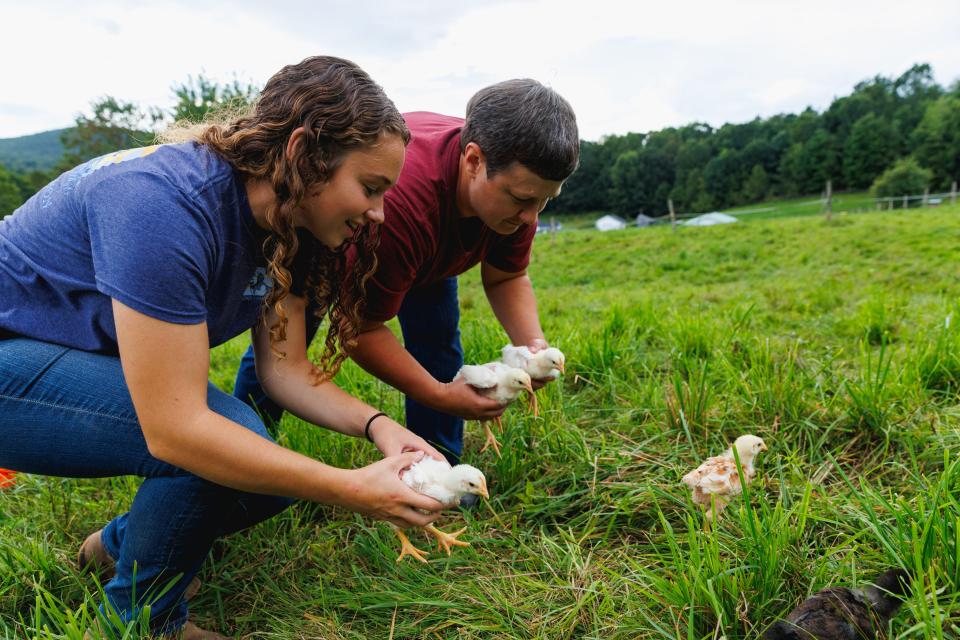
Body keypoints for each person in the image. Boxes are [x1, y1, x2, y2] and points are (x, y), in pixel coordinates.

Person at [0, 56, 446, 639]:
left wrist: (379, 426)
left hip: (62, 356)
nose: (378, 212)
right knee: (221, 442)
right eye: (369, 187)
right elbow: (177, 430)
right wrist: (350, 489)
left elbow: (285, 371)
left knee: (261, 467)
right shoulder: (163, 206)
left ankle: (116, 547)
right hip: (11, 354)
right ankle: (143, 625)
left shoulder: (286, 224)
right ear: (305, 157)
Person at [234, 79, 580, 464]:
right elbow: (360, 331)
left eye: (545, 201)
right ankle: (247, 444)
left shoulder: (515, 201)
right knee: (285, 345)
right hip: (336, 243)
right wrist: (437, 394)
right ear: (473, 161)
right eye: (522, 199)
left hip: (426, 254)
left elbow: (507, 276)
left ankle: (436, 467)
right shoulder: (399, 207)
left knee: (438, 342)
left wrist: (532, 347)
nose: (532, 218)